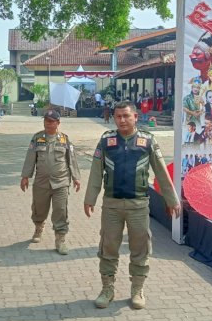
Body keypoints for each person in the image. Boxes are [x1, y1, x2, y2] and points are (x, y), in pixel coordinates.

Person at [84, 101, 180, 309]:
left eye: (126, 116)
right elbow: (95, 172)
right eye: (118, 116)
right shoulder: (106, 140)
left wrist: (172, 200)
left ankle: (137, 288)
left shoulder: (147, 141)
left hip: (138, 205)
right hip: (111, 205)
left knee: (140, 248)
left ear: (136, 117)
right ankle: (107, 288)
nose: (122, 120)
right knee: (108, 247)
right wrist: (90, 198)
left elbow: (161, 172)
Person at [20, 109, 81, 255]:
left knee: (60, 210)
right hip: (41, 182)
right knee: (39, 208)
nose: (48, 123)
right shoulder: (37, 138)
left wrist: (76, 177)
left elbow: (71, 159)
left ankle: (60, 239)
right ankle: (39, 227)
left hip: (61, 182)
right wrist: (25, 176)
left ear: (58, 123)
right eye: (46, 120)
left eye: (51, 121)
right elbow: (30, 157)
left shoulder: (64, 139)